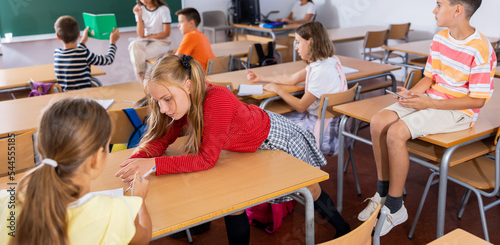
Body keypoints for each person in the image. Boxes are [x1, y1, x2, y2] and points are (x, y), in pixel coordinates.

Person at [115, 55, 350, 244]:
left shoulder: (216, 99)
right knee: (235, 204)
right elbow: (161, 140)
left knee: (311, 189)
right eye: (158, 102)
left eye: (166, 99)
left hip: (275, 138)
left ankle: (343, 228)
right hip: (242, 148)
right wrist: (135, 160)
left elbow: (206, 159)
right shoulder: (181, 102)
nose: (163, 108)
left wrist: (154, 164)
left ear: (187, 85)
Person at [357, 0, 497, 236]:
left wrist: (429, 103)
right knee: (378, 121)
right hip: (432, 99)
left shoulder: (481, 49)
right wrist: (413, 93)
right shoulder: (440, 38)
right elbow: (429, 77)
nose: (434, 10)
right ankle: (382, 192)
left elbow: (477, 100)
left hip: (459, 112)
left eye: (439, 4)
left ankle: (396, 207)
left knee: (397, 132)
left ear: (457, 10)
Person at [0, 98, 152, 244]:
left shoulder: (4, 200)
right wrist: (140, 200)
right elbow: (143, 237)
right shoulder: (114, 212)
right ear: (96, 158)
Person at [247, 21, 348, 156]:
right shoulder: (329, 61)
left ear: (310, 42)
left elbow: (301, 106)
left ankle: (284, 171)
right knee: (272, 119)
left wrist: (278, 90)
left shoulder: (321, 71)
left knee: (266, 129)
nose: (296, 47)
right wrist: (261, 78)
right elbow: (292, 79)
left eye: (298, 42)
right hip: (331, 126)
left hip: (325, 134)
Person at [54, 15, 119, 91]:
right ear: (79, 34)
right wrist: (113, 43)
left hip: (68, 100)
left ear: (58, 37)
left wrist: (83, 41)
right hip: (85, 99)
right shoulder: (83, 53)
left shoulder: (57, 54)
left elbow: (74, 53)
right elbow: (108, 60)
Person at [129, 0, 172, 83]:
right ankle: (142, 78)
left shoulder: (163, 9)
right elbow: (140, 34)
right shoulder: (141, 10)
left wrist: (148, 37)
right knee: (133, 45)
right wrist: (138, 17)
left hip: (161, 42)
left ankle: (145, 81)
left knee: (139, 55)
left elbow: (166, 33)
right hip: (146, 41)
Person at [174, 7, 216, 71]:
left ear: (191, 23)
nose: (178, 25)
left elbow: (175, 59)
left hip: (198, 75)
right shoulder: (202, 35)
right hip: (208, 73)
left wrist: (167, 56)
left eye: (181, 22)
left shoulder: (190, 36)